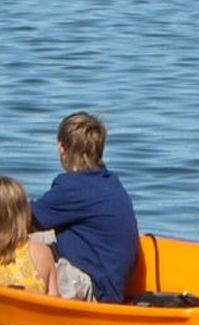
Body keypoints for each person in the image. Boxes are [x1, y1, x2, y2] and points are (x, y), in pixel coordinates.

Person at [31, 110, 139, 302]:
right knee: (37, 239)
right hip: (108, 282)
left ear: (62, 148)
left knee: (18, 249)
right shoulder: (109, 182)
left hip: (92, 287)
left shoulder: (74, 187)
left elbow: (24, 219)